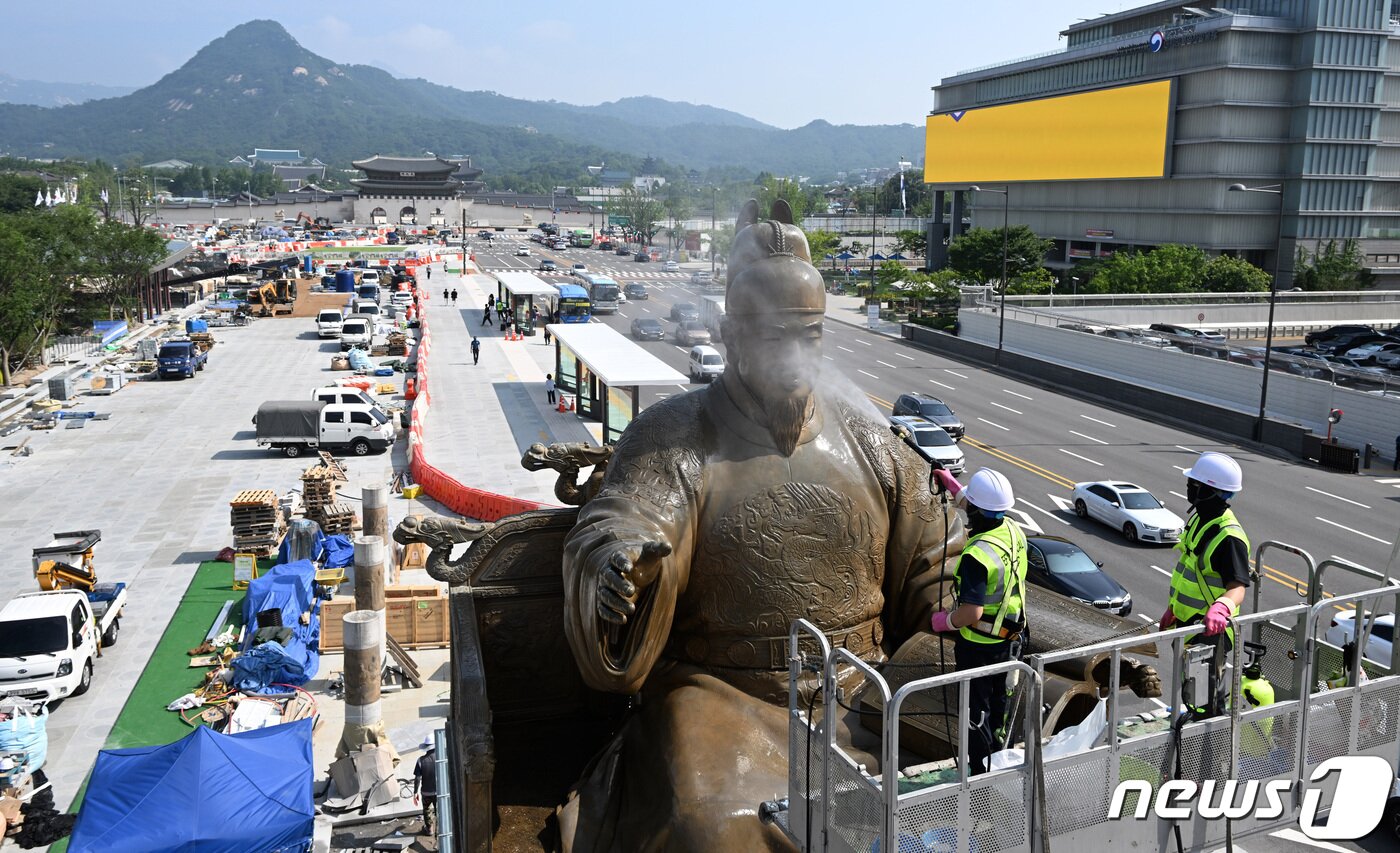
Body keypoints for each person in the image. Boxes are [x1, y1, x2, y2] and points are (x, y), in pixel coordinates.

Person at [558, 201, 962, 850]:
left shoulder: (869, 438)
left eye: (810, 335)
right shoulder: (675, 436)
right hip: (721, 691)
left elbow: (936, 557)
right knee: (711, 825)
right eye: (775, 336)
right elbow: (627, 519)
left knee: (970, 772)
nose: (794, 355)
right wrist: (619, 563)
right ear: (731, 334)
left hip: (862, 684)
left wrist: (963, 611)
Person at [927, 467, 1029, 775]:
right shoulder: (1012, 530)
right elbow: (980, 504)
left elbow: (972, 613)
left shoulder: (977, 555)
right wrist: (951, 484)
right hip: (1011, 640)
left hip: (979, 646)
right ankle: (999, 763)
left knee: (976, 716)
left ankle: (980, 777)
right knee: (999, 710)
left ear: (975, 509)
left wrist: (944, 621)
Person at [1161, 452, 1250, 647]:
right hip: (1189, 622)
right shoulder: (1199, 518)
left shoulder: (1229, 537)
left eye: (1193, 483)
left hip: (1211, 629)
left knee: (1203, 670)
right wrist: (1173, 609)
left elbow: (1238, 588)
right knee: (1182, 667)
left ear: (1208, 490)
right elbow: (1190, 568)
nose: (1189, 487)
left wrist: (1220, 609)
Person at [413, 738, 438, 837]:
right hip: (439, 792)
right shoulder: (441, 759)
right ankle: (439, 833)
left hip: (426, 792)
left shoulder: (420, 760)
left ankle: (430, 829)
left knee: (427, 810)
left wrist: (415, 792)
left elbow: (417, 778)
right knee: (439, 813)